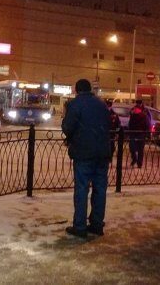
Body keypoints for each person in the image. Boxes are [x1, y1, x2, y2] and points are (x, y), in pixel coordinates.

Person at [62, 79, 111, 238]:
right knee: (100, 189)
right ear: (89, 89)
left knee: (82, 189)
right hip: (102, 152)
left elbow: (67, 127)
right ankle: (97, 224)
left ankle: (80, 226)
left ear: (77, 90)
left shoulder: (75, 104)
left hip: (83, 153)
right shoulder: (101, 104)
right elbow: (109, 124)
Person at [127, 99, 150, 168]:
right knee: (134, 148)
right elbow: (130, 123)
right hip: (137, 133)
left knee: (137, 148)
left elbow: (146, 124)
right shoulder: (135, 112)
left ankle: (138, 162)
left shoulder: (142, 113)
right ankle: (136, 160)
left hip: (138, 133)